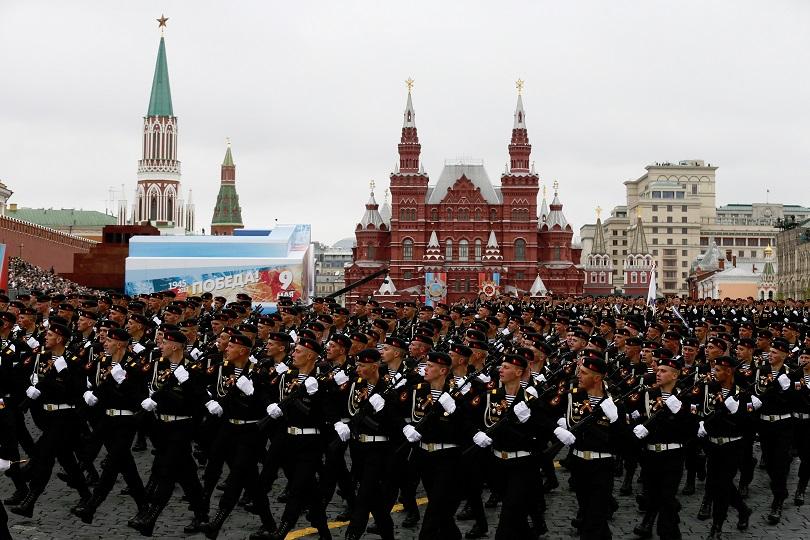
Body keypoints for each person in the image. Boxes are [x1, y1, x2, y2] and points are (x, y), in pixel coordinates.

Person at [128, 329, 210, 536]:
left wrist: (186, 384)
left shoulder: (192, 368)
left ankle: (150, 518)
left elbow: (198, 400)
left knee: (167, 471)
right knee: (187, 474)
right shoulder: (158, 365)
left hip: (182, 427)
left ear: (174, 346)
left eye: (164, 343)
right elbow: (138, 379)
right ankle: (202, 515)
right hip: (161, 426)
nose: (161, 346)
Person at [250, 338, 331, 540]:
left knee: (297, 490)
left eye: (298, 351)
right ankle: (324, 533)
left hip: (309, 443)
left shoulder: (321, 381)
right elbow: (263, 390)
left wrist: (317, 394)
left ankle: (281, 532)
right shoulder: (287, 376)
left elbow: (327, 412)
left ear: (310, 356)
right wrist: (270, 405)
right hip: (285, 439)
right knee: (302, 488)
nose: (293, 354)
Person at [10, 323, 90, 518]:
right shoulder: (42, 357)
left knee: (44, 456)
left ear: (60, 339)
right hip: (49, 416)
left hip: (66, 417)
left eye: (50, 335)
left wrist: (63, 373)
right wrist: (30, 387)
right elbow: (21, 373)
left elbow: (77, 390)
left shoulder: (72, 361)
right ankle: (86, 495)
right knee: (66, 459)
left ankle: (29, 500)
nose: (46, 337)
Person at [203, 333, 277, 539]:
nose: (226, 349)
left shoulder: (258, 372)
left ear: (243, 351)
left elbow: (267, 400)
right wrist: (209, 400)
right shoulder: (221, 368)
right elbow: (202, 385)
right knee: (247, 479)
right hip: (227, 428)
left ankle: (216, 522)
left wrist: (253, 393)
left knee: (236, 475)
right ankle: (270, 524)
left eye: (231, 346)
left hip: (249, 432)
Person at [71, 327, 148, 523]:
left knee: (112, 465)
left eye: (109, 341)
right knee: (126, 467)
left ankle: (91, 506)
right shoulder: (105, 362)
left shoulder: (134, 365)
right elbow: (100, 387)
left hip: (125, 421)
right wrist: (90, 394)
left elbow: (139, 397)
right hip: (107, 418)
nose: (105, 343)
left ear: (120, 344)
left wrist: (122, 382)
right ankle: (144, 508)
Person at [470, 352, 547, 539]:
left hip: (522, 465)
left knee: (508, 516)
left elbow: (543, 432)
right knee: (516, 516)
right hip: (497, 464)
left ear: (519, 372)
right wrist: (477, 432)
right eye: (501, 366)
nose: (501, 370)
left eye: (506, 367)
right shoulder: (490, 396)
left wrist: (528, 422)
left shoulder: (530, 401)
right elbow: (469, 418)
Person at [553, 350, 628, 540]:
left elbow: (624, 441)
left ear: (597, 378)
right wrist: (557, 427)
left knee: (595, 517)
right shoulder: (572, 396)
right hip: (579, 464)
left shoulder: (614, 403)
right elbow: (543, 413)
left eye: (584, 373)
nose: (579, 375)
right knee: (587, 512)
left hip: (601, 465)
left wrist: (615, 420)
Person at [628, 349, 697, 539]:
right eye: (657, 370)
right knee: (653, 495)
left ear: (675, 375)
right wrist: (637, 427)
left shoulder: (686, 398)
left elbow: (692, 429)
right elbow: (633, 416)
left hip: (673, 455)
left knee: (666, 497)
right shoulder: (647, 395)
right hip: (650, 454)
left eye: (663, 371)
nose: (658, 374)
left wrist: (680, 412)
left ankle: (667, 533)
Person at [696, 355, 756, 537]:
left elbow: (750, 422)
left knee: (722, 487)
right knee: (719, 483)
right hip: (713, 445)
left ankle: (717, 526)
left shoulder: (742, 393)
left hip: (732, 446)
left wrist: (736, 411)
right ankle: (743, 509)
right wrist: (700, 423)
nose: (714, 372)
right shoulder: (709, 388)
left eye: (718, 370)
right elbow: (699, 409)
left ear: (729, 371)